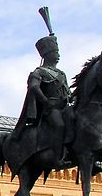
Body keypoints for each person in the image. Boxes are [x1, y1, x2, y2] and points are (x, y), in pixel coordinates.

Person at [13, 31, 73, 168]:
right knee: (60, 125)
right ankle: (58, 158)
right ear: (47, 54)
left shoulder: (61, 73)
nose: (58, 55)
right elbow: (34, 87)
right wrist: (46, 102)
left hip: (63, 107)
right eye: (55, 52)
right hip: (50, 109)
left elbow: (67, 91)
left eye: (58, 52)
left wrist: (72, 96)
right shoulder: (39, 72)